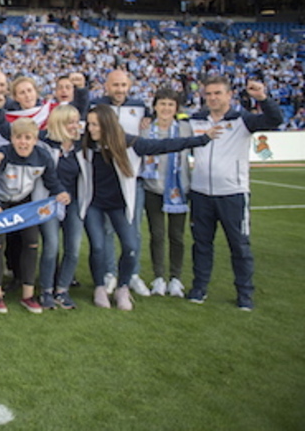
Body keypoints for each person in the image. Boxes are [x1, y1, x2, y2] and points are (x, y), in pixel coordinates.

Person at [81, 105, 220, 311]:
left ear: (107, 124)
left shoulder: (131, 144)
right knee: (98, 247)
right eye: (90, 124)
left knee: (130, 246)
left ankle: (123, 288)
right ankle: (100, 287)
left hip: (120, 205)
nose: (90, 128)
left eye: (95, 124)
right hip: (94, 205)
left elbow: (165, 145)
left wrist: (202, 139)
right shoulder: (86, 145)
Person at [186, 78, 282, 310]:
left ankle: (245, 293)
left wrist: (262, 99)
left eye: (218, 93)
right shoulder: (196, 120)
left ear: (229, 95)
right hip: (200, 193)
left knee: (239, 245)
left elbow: (275, 120)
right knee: (201, 244)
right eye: (208, 94)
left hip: (233, 194)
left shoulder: (242, 120)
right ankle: (199, 287)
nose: (213, 98)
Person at [0, 118, 70, 314]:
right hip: (1, 202)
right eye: (18, 138)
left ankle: (28, 294)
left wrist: (61, 192)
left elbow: (52, 181)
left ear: (35, 140)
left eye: (28, 138)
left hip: (24, 203)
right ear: (11, 138)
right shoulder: (3, 154)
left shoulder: (43, 156)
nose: (23, 142)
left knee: (32, 243)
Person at [90, 68, 152, 296]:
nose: (119, 90)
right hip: (104, 179)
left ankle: (132, 275)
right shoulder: (96, 106)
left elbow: (146, 132)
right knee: (106, 231)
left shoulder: (140, 107)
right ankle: (109, 273)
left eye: (123, 85)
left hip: (131, 178)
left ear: (129, 85)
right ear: (106, 86)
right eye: (115, 85)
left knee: (133, 230)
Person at [140, 88, 193, 297]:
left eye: (171, 105)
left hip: (178, 189)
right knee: (157, 235)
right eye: (162, 104)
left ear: (176, 108)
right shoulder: (145, 129)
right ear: (155, 106)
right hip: (153, 188)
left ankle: (176, 278)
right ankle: (159, 277)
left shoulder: (185, 129)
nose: (166, 108)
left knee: (177, 236)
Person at [39, 104, 86, 309]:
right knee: (51, 246)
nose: (75, 126)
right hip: (49, 202)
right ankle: (46, 290)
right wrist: (58, 192)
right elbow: (47, 174)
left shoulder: (81, 146)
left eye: (76, 122)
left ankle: (63, 289)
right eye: (71, 122)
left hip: (74, 202)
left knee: (73, 248)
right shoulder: (44, 144)